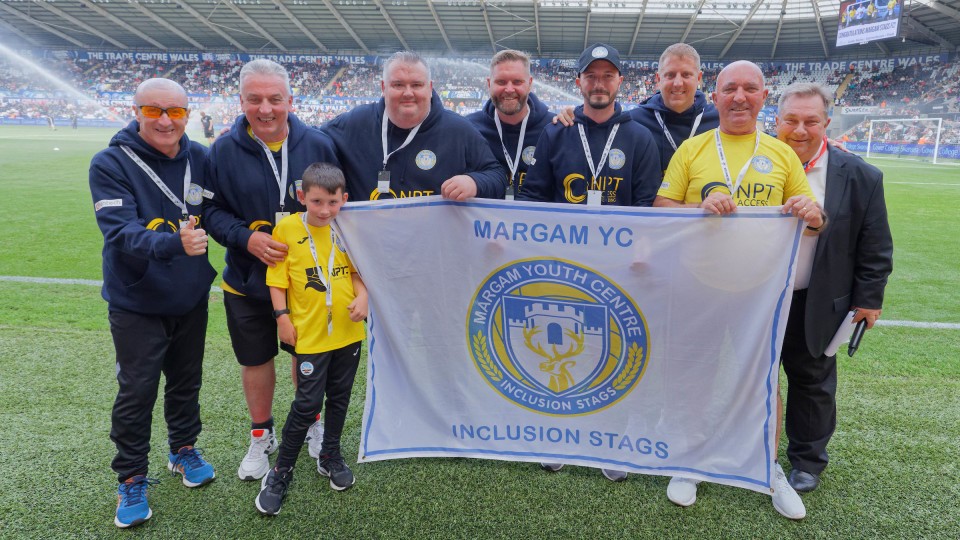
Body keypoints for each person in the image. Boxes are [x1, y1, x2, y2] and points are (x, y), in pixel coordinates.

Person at [655, 60, 826, 520]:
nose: (739, 97)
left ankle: (767, 467)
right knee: (696, 379)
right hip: (698, 287)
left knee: (763, 380)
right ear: (715, 97)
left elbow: (811, 221)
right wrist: (699, 209)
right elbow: (660, 209)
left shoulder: (782, 154)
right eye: (730, 88)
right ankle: (691, 461)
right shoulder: (692, 149)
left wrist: (810, 213)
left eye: (750, 89)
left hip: (760, 291)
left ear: (762, 98)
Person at [203, 59, 339, 482]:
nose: (266, 108)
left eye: (275, 99)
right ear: (241, 101)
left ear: (290, 101)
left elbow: (338, 207)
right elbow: (209, 210)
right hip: (246, 280)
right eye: (255, 99)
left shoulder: (317, 143)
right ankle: (261, 435)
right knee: (256, 360)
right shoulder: (223, 149)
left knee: (307, 360)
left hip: (306, 285)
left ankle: (312, 425)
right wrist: (247, 238)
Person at [89, 78, 216, 528]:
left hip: (189, 295)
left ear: (187, 114)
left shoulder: (201, 157)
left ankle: (183, 449)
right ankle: (131, 476)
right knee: (137, 390)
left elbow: (218, 212)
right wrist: (173, 245)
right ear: (136, 111)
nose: (165, 120)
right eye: (154, 110)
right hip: (136, 300)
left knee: (186, 381)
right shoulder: (109, 162)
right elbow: (119, 232)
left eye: (175, 112)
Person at [774, 82, 893, 494]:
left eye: (810, 121)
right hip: (757, 296)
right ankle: (748, 450)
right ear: (776, 122)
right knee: (752, 377)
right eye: (791, 120)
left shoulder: (860, 175)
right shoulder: (753, 164)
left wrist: (868, 300)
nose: (800, 130)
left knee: (812, 382)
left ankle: (806, 461)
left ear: (827, 123)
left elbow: (875, 244)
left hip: (817, 299)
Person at [255, 163, 368, 514]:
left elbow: (356, 271)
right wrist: (281, 317)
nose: (324, 210)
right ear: (302, 197)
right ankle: (281, 470)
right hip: (310, 336)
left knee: (340, 398)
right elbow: (277, 280)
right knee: (306, 405)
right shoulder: (287, 227)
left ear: (343, 200)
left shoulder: (348, 227)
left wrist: (363, 296)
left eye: (333, 202)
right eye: (317, 201)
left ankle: (330, 455)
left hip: (348, 334)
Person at [323, 51, 505, 202]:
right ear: (383, 87)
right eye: (398, 85)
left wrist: (473, 182)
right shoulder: (355, 123)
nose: (408, 93)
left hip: (432, 244)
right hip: (366, 244)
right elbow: (311, 141)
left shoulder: (459, 130)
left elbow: (497, 177)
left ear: (430, 87)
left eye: (417, 85)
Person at [519, 43, 661, 207]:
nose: (599, 85)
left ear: (620, 81)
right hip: (565, 232)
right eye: (591, 76)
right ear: (579, 83)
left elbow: (646, 203)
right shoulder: (555, 132)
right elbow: (533, 196)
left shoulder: (640, 137)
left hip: (619, 233)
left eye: (608, 76)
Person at [552, 43, 718, 175]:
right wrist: (574, 114)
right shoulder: (634, 120)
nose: (677, 83)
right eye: (670, 75)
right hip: (648, 213)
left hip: (703, 215)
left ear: (699, 78)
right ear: (658, 79)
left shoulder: (718, 122)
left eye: (686, 75)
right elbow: (596, 124)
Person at [466, 50, 554, 198]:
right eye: (501, 82)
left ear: (530, 84)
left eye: (517, 82)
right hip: (484, 221)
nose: (509, 89)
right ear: (489, 83)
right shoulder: (469, 128)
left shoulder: (554, 127)